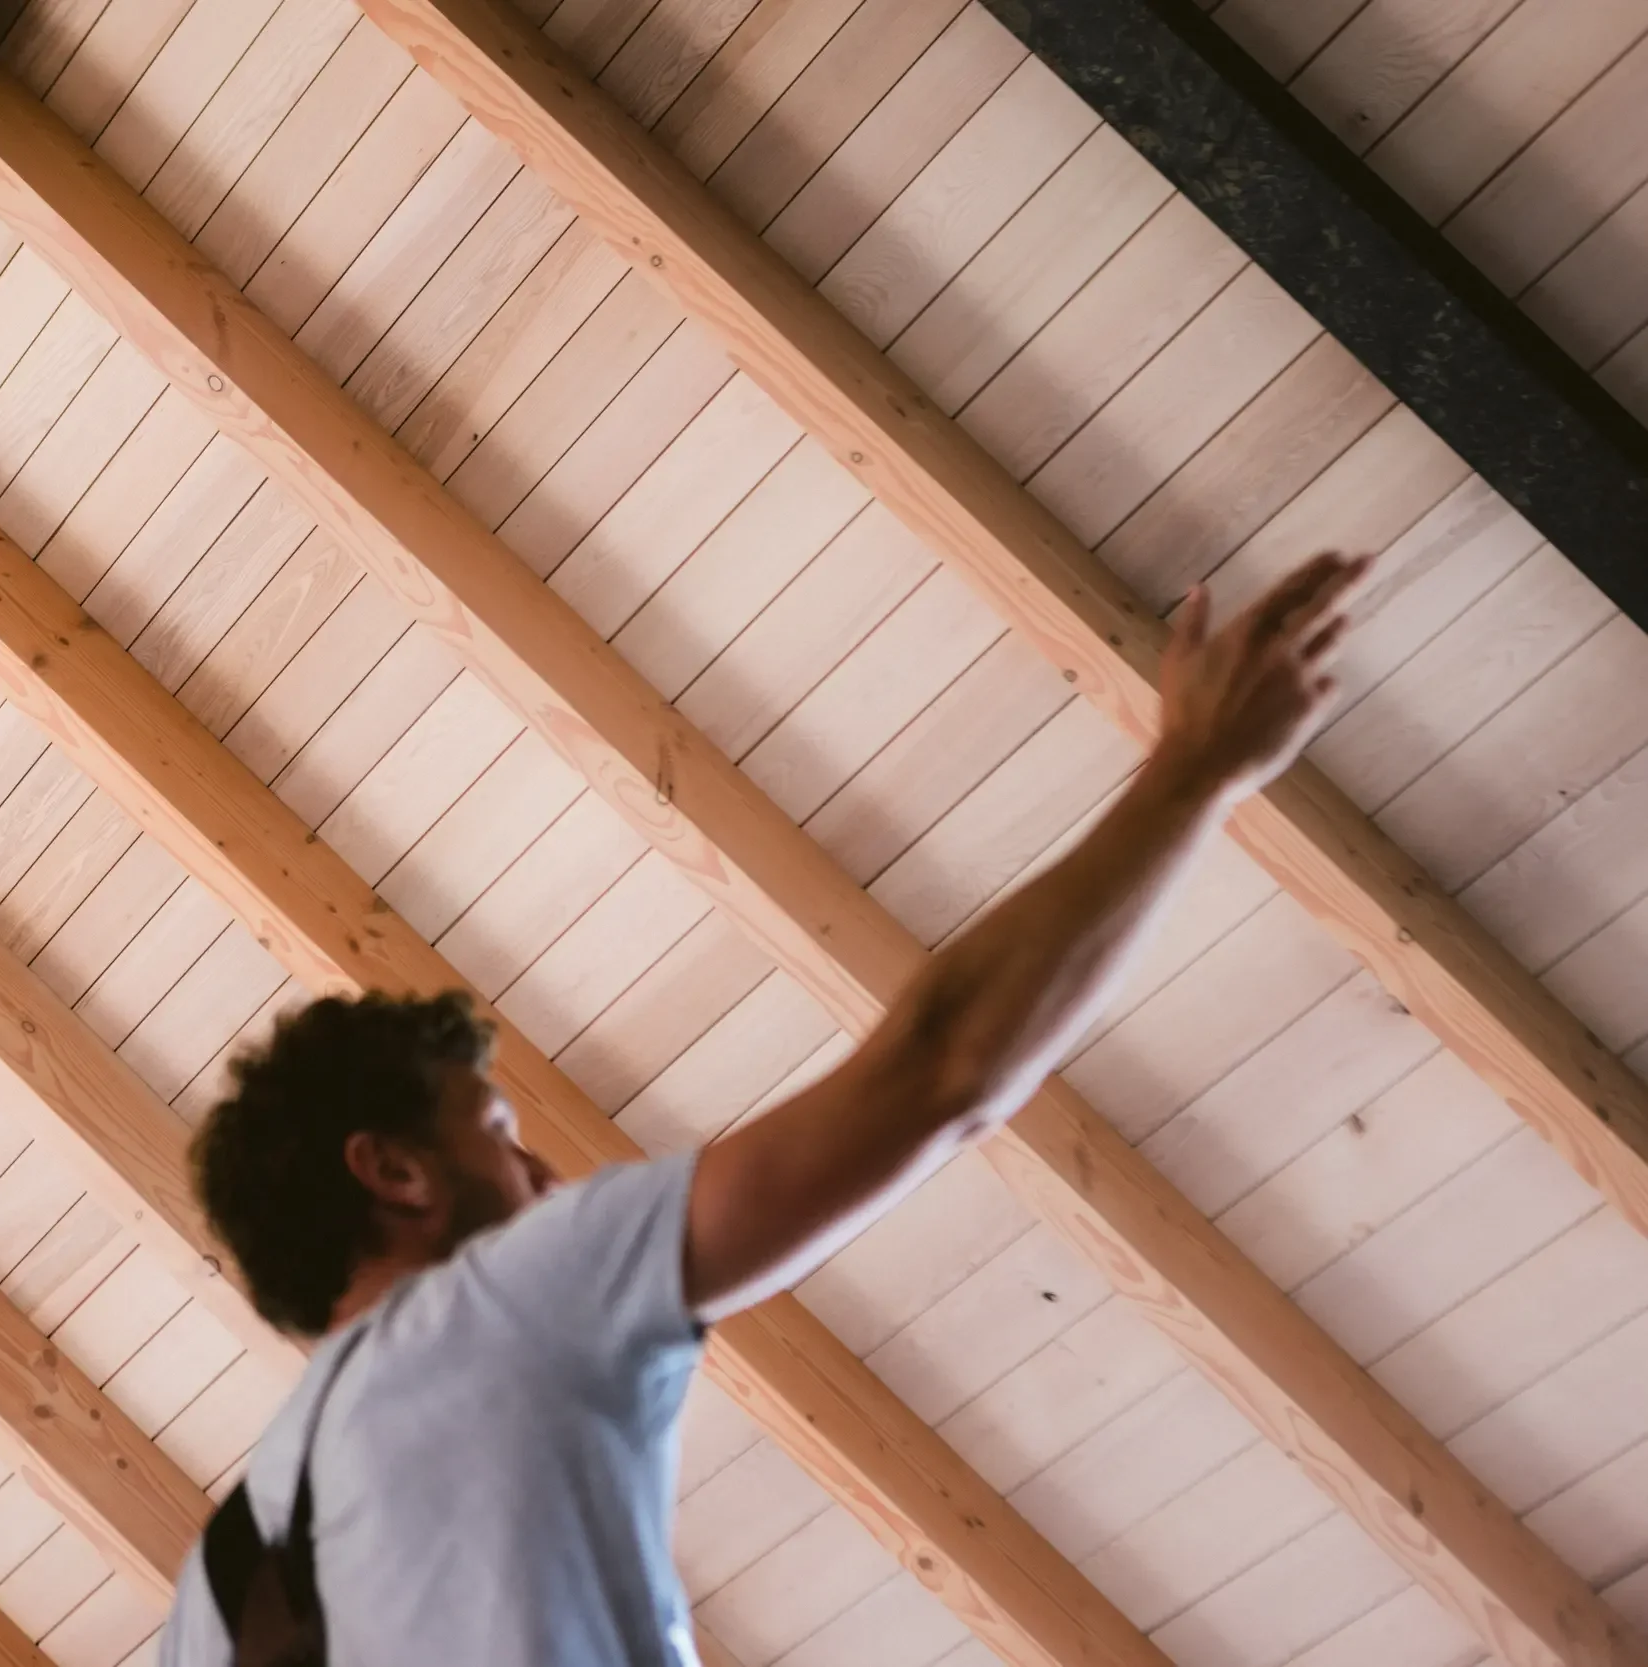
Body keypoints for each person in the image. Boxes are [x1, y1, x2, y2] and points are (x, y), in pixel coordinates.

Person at [161, 552, 1371, 1666]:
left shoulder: (205, 1604)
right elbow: (939, 1070)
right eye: (495, 1132)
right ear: (395, 1173)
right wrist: (1192, 770)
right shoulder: (504, 1303)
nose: (546, 1178)